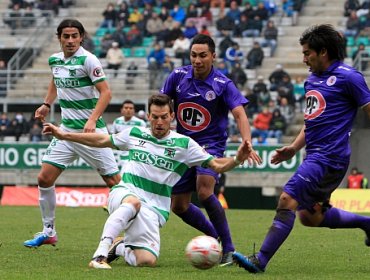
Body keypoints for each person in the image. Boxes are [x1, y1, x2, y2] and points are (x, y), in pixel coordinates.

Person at [41, 94, 253, 269]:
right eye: (154, 117)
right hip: (125, 193)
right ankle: (100, 255)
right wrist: (65, 135)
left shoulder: (184, 145)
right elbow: (101, 139)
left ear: (172, 116)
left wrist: (237, 159)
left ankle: (121, 247)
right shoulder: (134, 133)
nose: (159, 122)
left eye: (163, 117)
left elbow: (216, 165)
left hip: (155, 210)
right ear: (148, 116)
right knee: (132, 202)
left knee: (146, 261)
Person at [233, 24, 370, 274]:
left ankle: (260, 260)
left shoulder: (350, 77)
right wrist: (294, 148)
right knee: (310, 217)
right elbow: (312, 121)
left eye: (308, 53)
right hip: (314, 155)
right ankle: (367, 224)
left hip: (330, 157)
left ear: (324, 52)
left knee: (287, 199)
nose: (304, 58)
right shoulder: (312, 81)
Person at [160, 34, 261, 266]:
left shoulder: (223, 84)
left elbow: (239, 114)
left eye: (203, 55)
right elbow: (162, 103)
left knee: (205, 191)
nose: (197, 60)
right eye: (193, 55)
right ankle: (214, 237)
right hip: (182, 145)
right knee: (179, 205)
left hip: (210, 145)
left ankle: (229, 248)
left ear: (213, 56)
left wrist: (247, 141)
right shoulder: (177, 77)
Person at [23, 19, 121, 248]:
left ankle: (130, 231)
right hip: (65, 132)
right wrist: (46, 104)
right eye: (65, 36)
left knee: (115, 184)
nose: (70, 40)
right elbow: (56, 80)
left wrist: (92, 119)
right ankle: (49, 231)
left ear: (81, 37)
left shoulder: (88, 60)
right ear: (59, 38)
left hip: (91, 134)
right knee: (44, 178)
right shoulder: (55, 60)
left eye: (74, 36)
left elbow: (106, 93)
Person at [111, 100, 147, 175]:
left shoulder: (140, 123)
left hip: (133, 155)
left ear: (134, 111)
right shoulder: (117, 121)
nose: (128, 110)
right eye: (126, 108)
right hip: (119, 155)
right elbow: (112, 137)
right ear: (121, 110)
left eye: (131, 108)